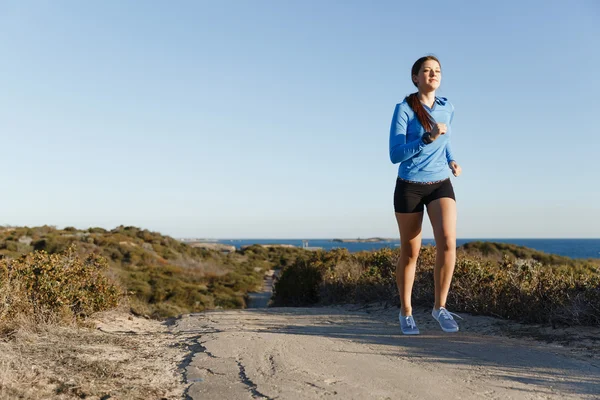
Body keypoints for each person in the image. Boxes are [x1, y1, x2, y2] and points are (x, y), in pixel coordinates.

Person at [389, 55, 463, 335]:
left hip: (440, 183)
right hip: (410, 185)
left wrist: (452, 160)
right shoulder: (404, 109)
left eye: (437, 71)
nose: (433, 75)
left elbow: (446, 140)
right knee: (411, 253)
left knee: (448, 242)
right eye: (427, 71)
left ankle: (439, 308)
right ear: (415, 78)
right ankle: (406, 312)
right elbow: (395, 154)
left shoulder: (448, 107)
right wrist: (425, 139)